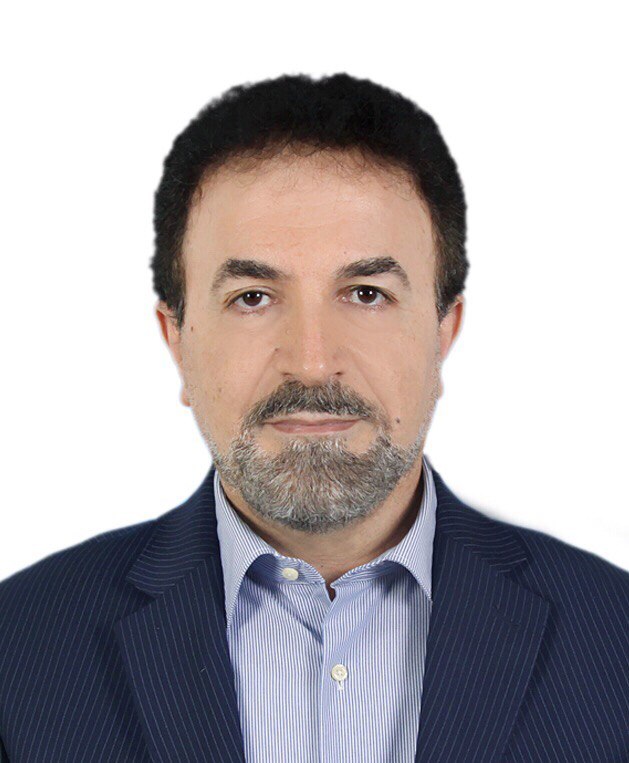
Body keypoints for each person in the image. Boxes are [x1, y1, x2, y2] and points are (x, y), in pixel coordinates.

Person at [0, 73, 627, 763]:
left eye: (366, 293)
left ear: (442, 332)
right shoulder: (19, 649)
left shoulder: (614, 640)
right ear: (176, 340)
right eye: (252, 297)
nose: (311, 362)